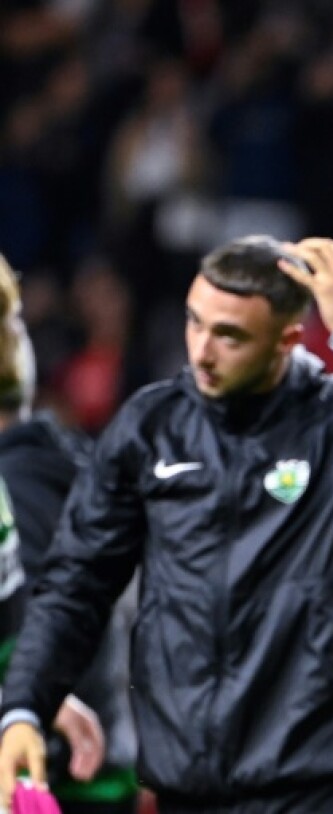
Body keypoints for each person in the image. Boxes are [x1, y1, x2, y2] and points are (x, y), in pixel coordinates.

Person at [0, 236, 333, 813]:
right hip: (188, 789)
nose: (201, 350)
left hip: (315, 789)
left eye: (229, 336)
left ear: (287, 342)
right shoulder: (150, 429)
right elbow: (75, 585)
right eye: (195, 323)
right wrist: (24, 706)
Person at [0, 254, 128, 813]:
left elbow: (14, 628)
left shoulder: (21, 483)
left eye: (15, 322)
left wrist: (22, 706)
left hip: (67, 778)